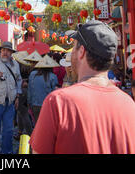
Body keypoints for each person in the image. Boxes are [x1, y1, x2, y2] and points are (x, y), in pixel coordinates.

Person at [30, 21, 135, 154]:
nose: (72, 53)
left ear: (81, 51)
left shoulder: (59, 102)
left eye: (74, 47)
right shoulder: (129, 104)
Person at [27, 55, 58, 126]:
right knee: (46, 126)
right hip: (47, 105)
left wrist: (29, 102)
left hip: (35, 104)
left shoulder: (32, 74)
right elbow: (54, 93)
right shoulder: (53, 76)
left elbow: (30, 90)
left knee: (37, 125)